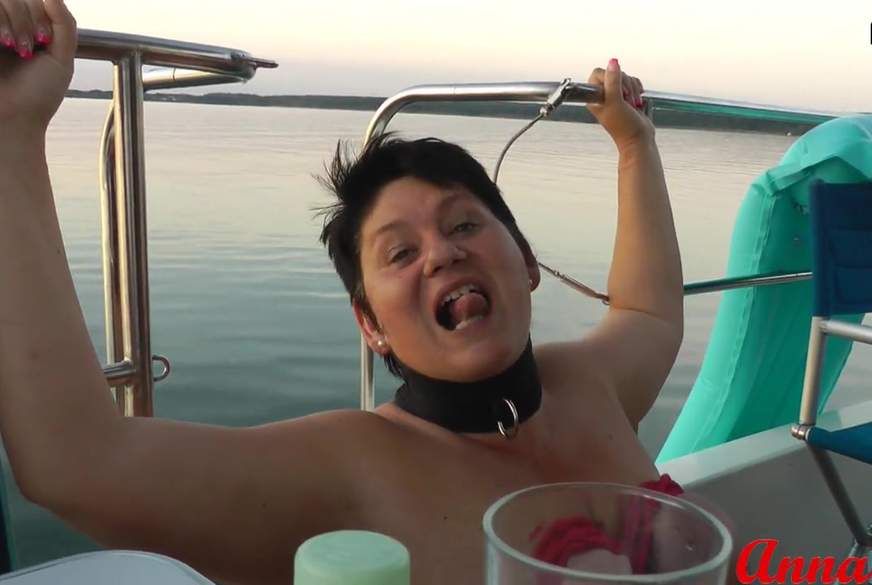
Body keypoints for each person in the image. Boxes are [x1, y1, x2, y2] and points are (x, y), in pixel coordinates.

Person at [0, 1, 685, 584]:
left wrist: (636, 146)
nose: (443, 253)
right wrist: (12, 131)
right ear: (371, 325)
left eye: (464, 224)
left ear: (527, 262)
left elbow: (648, 311)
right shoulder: (349, 465)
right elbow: (79, 462)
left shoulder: (590, 381)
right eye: (401, 252)